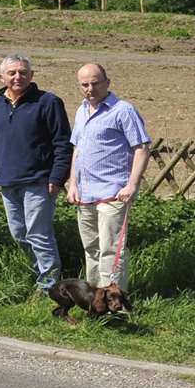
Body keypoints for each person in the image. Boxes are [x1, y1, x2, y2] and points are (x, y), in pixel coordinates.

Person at [0, 54, 71, 294]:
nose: (17, 77)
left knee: (39, 234)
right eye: (11, 73)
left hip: (39, 180)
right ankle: (36, 274)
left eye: (22, 72)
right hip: (7, 182)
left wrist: (57, 177)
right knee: (19, 233)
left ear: (31, 76)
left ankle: (49, 285)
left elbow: (62, 143)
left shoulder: (48, 102)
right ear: (2, 77)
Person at [67, 63, 150, 298]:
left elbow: (142, 148)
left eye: (95, 83)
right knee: (91, 249)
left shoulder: (123, 110)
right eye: (85, 85)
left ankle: (114, 303)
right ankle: (95, 300)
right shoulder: (81, 111)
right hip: (85, 194)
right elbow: (77, 150)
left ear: (107, 83)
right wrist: (73, 184)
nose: (90, 89)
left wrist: (132, 184)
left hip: (113, 193)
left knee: (111, 251)